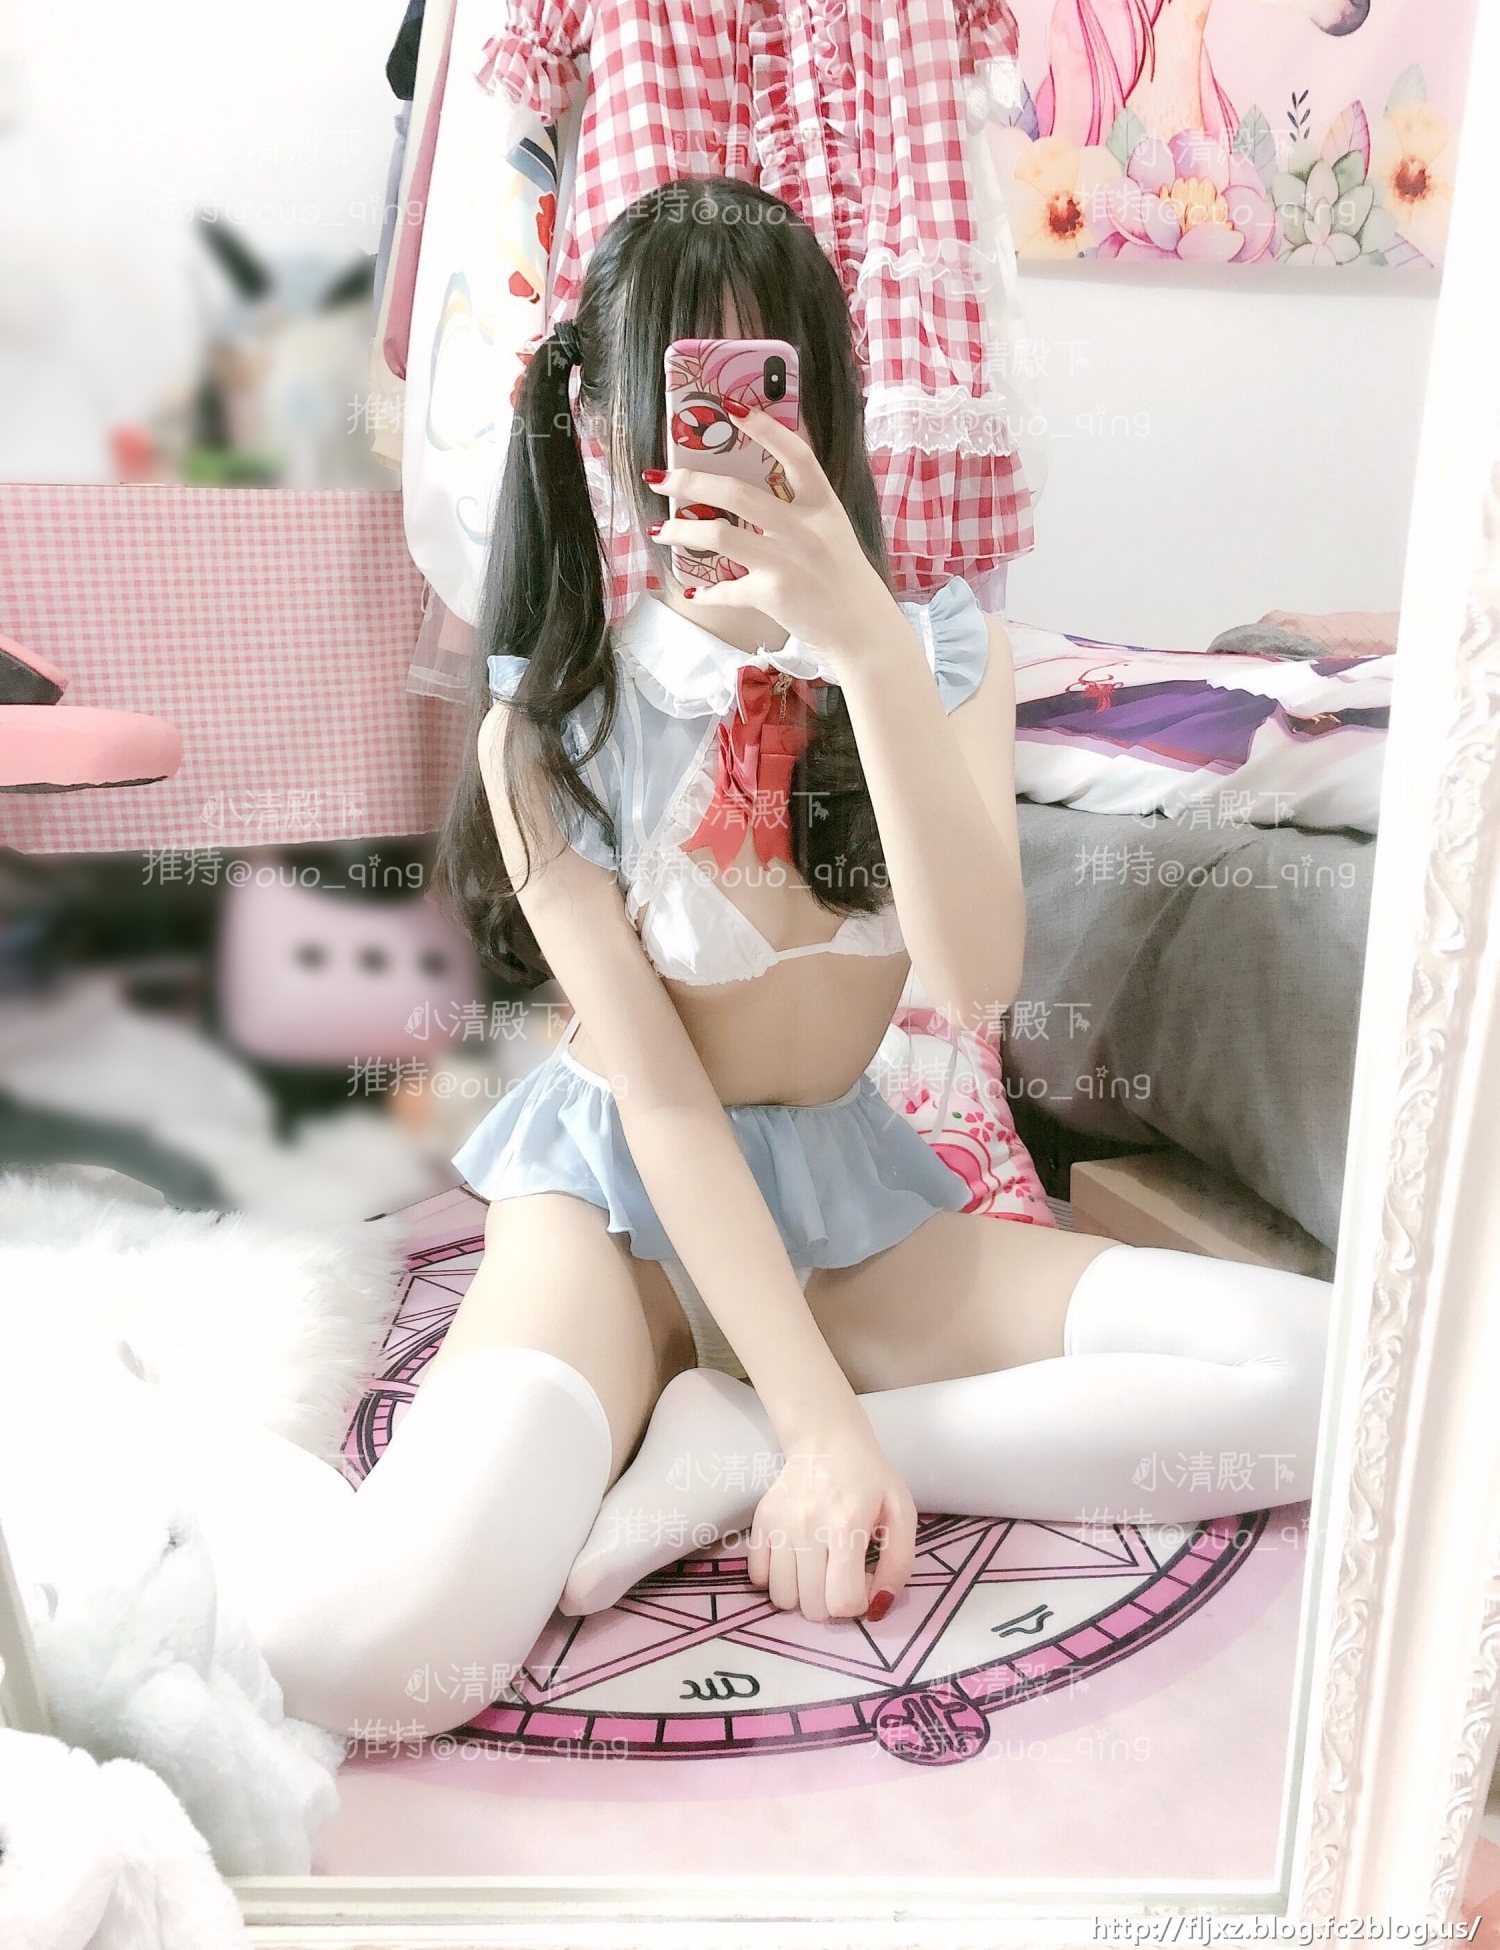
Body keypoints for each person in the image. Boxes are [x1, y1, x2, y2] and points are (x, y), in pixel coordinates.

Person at [248, 179, 1331, 1741]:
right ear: (608, 429)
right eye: (692, 392)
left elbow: (975, 977)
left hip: (842, 1208)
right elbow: (665, 1104)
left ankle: (735, 1437)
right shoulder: (551, 731)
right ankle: (765, 1411)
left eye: (772, 384)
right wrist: (834, 1425)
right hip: (618, 1214)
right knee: (365, 1656)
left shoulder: (937, 655)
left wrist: (866, 647)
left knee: (1321, 1374)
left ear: (828, 406)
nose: (737, 435)